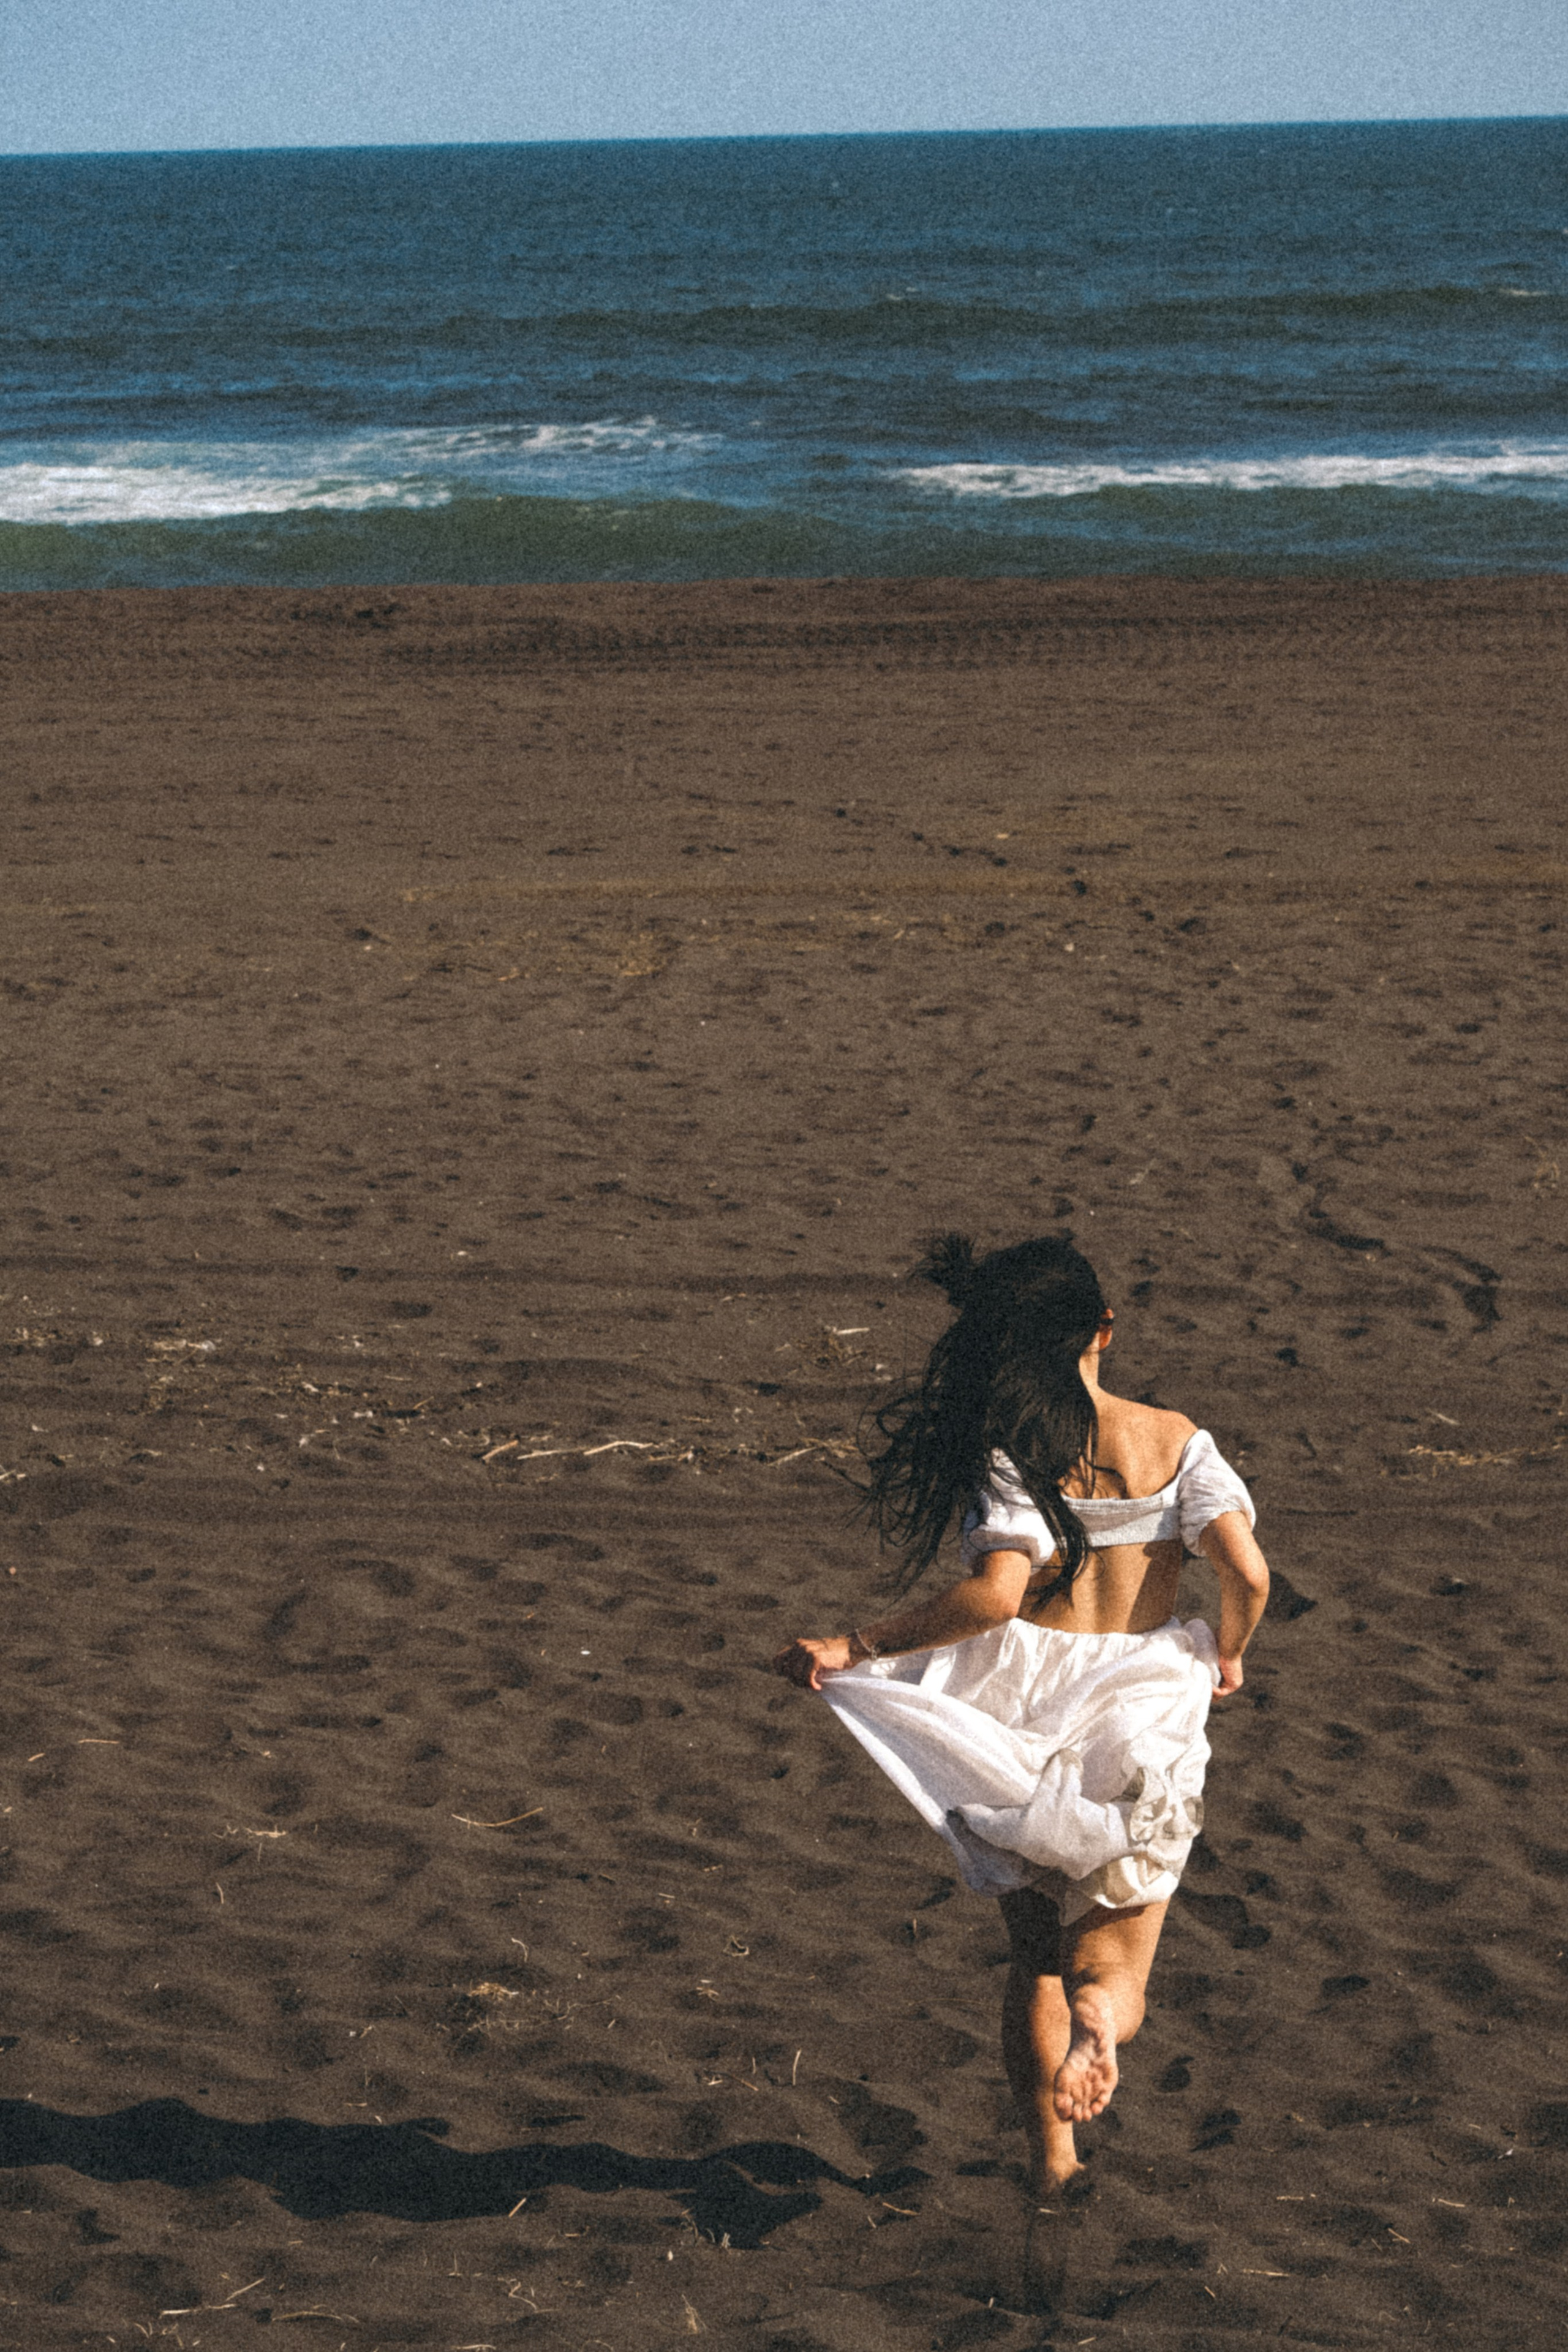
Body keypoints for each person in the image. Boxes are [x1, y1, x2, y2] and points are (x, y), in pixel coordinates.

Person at [771, 1232, 1270, 2195]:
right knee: (1117, 1957)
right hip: (1141, 1703)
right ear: (1105, 1329)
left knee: (1034, 1952)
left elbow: (998, 1598)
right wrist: (1232, 1652)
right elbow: (1246, 1572)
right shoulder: (1175, 1439)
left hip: (1017, 1712)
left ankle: (1053, 2157)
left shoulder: (1014, 1453)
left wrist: (858, 1646)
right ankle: (1101, 2024)